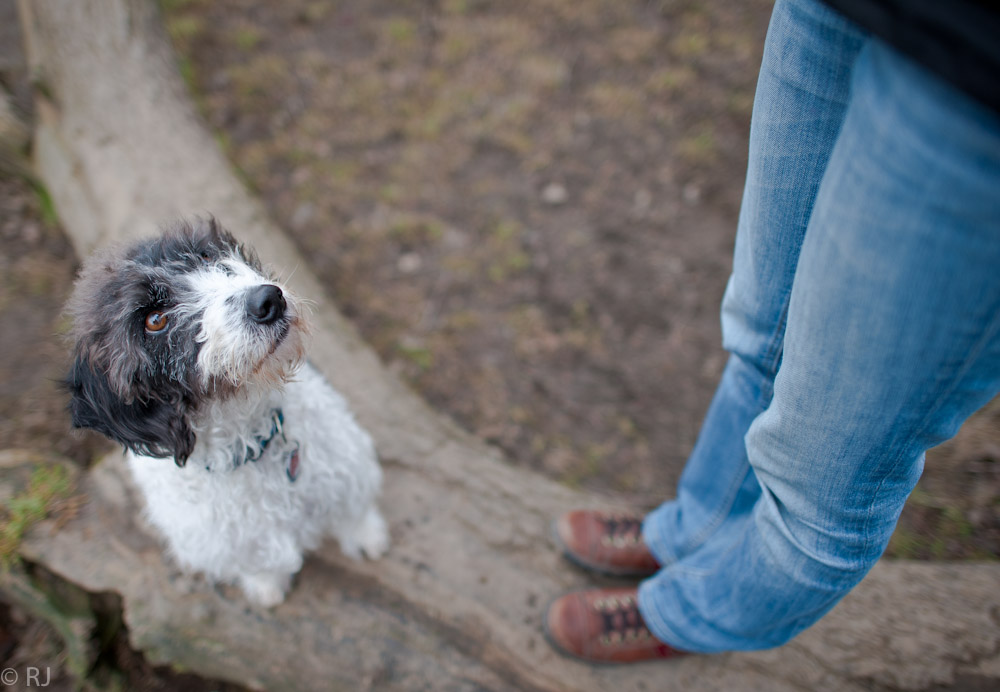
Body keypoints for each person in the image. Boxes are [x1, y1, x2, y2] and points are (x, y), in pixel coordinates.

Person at [544, 0, 1000, 663]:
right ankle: (695, 532)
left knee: (829, 468)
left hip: (978, 77)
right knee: (764, 336)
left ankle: (693, 612)